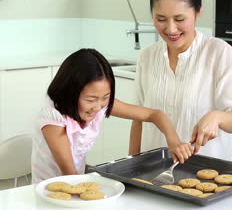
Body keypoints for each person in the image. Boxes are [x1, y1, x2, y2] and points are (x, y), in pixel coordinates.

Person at [129, 0, 232, 161]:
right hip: (153, 175)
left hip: (206, 176)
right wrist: (130, 170)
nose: (170, 29)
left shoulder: (218, 53)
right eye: (160, 19)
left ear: (197, 12)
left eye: (179, 19)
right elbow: (138, 120)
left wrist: (216, 117)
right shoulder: (147, 56)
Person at [31, 48, 193, 183]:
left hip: (76, 182)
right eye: (90, 99)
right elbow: (70, 173)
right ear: (70, 92)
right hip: (48, 191)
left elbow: (154, 114)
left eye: (105, 97)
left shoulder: (100, 104)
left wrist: (174, 141)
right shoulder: (54, 118)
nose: (97, 107)